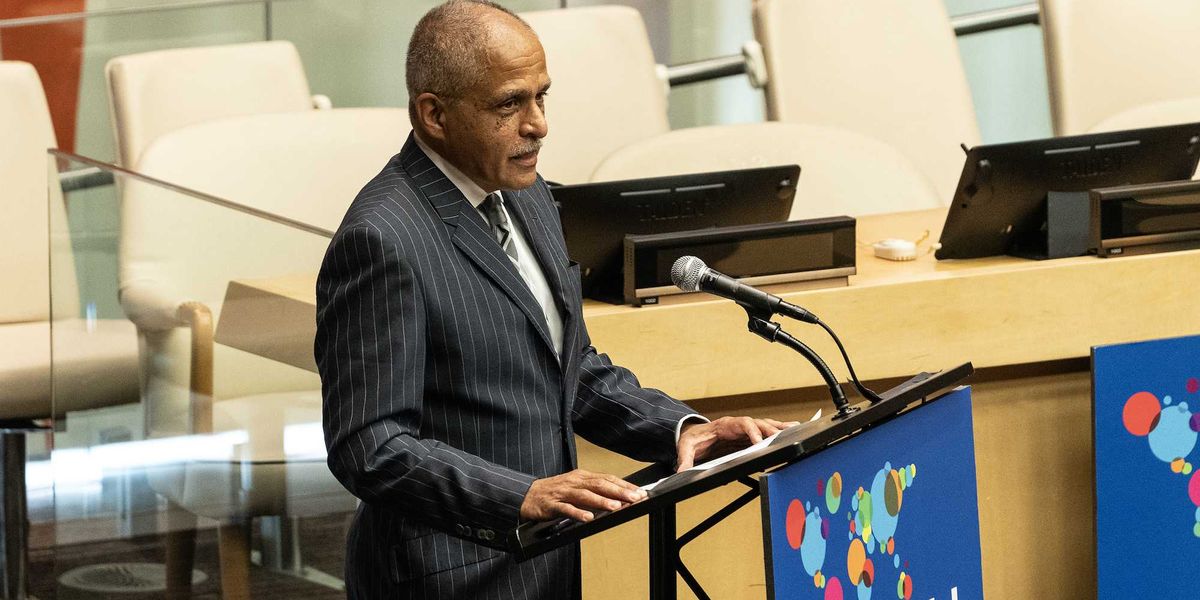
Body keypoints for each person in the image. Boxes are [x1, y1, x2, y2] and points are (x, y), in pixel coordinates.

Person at [315, 1, 793, 597]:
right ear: (434, 115)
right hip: (449, 577)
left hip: (549, 562)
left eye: (542, 97)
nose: (538, 124)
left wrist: (680, 430)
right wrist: (520, 495)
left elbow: (571, 373)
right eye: (509, 104)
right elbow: (370, 447)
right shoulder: (381, 240)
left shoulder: (528, 193)